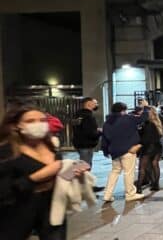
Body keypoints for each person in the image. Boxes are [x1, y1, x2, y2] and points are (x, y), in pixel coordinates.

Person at [0, 104, 84, 240]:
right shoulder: (7, 151)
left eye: (42, 120)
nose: (38, 124)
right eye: (30, 121)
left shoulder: (51, 146)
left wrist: (72, 173)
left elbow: (59, 176)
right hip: (17, 212)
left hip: (52, 209)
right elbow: (4, 191)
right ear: (16, 125)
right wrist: (36, 178)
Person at [101, 102, 146, 202]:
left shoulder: (107, 122)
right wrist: (145, 107)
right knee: (128, 172)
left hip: (114, 151)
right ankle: (130, 194)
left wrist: (106, 150)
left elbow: (104, 139)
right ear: (123, 110)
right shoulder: (127, 118)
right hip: (128, 150)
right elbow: (143, 118)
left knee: (115, 171)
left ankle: (107, 194)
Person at [71, 97, 104, 192]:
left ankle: (86, 186)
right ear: (89, 103)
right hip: (86, 144)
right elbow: (89, 132)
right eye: (95, 103)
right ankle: (82, 188)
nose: (97, 105)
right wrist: (100, 132)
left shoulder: (78, 115)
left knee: (83, 164)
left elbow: (81, 129)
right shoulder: (88, 116)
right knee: (85, 166)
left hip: (79, 142)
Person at [136, 107, 163, 193]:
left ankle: (139, 188)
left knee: (143, 167)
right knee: (155, 165)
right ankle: (156, 184)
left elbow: (145, 138)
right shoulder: (158, 122)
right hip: (157, 147)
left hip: (148, 147)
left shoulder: (147, 124)